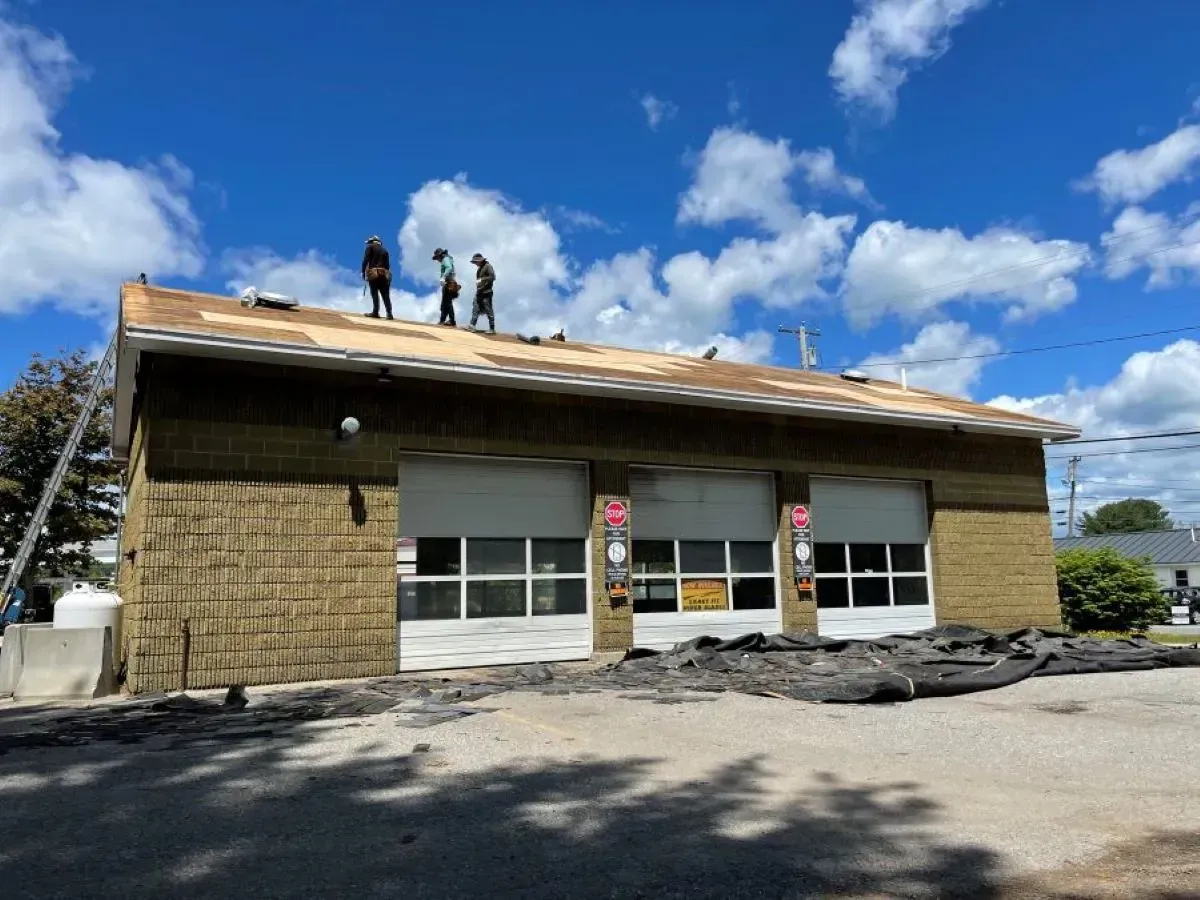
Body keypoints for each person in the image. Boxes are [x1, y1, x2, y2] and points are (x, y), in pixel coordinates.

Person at [360, 235, 393, 320]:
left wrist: (363, 271)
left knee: (374, 293)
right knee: (385, 295)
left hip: (374, 273)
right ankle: (389, 313)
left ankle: (375, 312)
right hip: (384, 274)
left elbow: (365, 260)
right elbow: (387, 265)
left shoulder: (370, 247)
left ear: (372, 241)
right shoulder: (385, 250)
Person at [469, 252, 496, 334]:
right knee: (475, 307)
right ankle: (472, 325)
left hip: (486, 292)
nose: (475, 264)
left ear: (480, 261)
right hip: (479, 292)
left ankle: (492, 328)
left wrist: (482, 280)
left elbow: (493, 277)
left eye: (476, 262)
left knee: (488, 309)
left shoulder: (488, 266)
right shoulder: (480, 269)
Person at [432, 248, 458, 326]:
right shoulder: (447, 259)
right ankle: (445, 320)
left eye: (437, 258)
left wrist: (443, 277)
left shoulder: (445, 259)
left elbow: (449, 268)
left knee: (447, 303)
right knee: (446, 303)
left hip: (449, 282)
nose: (437, 260)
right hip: (449, 282)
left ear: (440, 255)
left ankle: (450, 321)